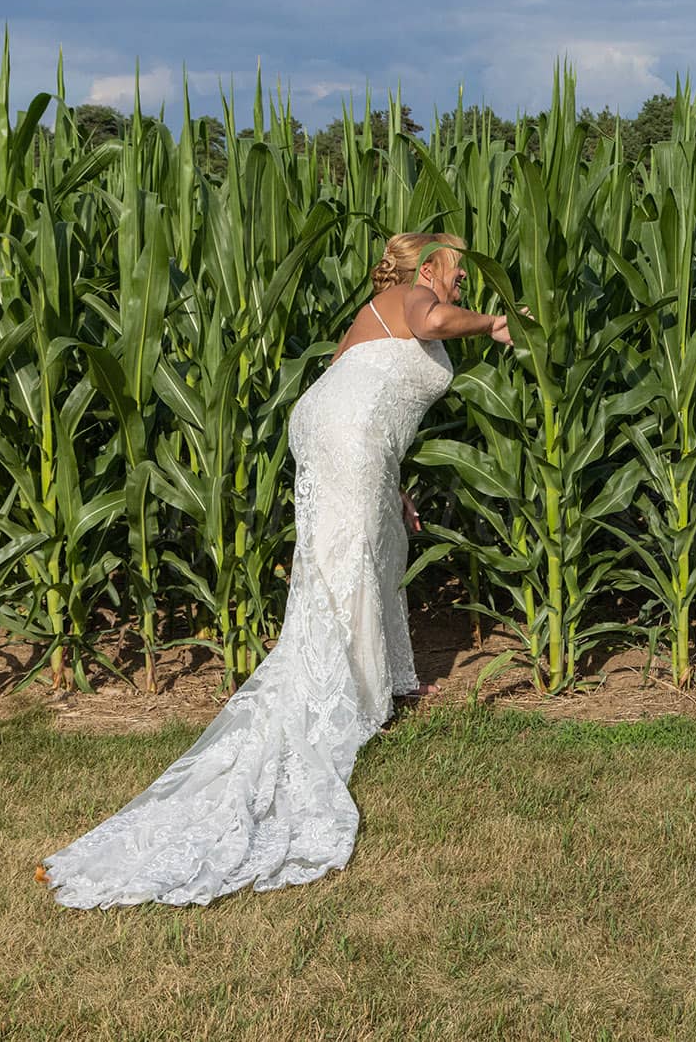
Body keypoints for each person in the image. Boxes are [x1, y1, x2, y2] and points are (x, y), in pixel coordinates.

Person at [41, 233, 511, 907]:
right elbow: (433, 321)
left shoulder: (383, 309)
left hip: (343, 429)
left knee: (377, 543)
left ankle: (383, 682)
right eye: (458, 269)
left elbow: (362, 384)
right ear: (429, 267)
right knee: (352, 556)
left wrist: (391, 482)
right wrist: (493, 324)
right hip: (346, 432)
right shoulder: (414, 297)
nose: (462, 280)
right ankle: (355, 694)